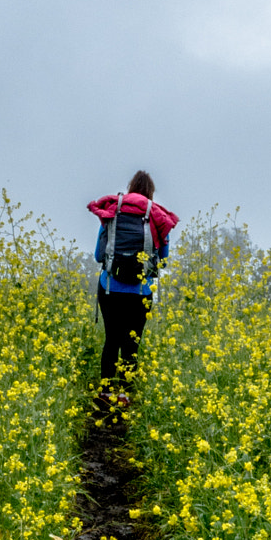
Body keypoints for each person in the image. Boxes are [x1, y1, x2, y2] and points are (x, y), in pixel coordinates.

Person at [88, 169, 179, 398]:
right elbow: (164, 261)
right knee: (131, 343)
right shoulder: (156, 218)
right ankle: (126, 395)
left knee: (112, 340)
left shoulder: (113, 212)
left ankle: (106, 393)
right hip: (141, 291)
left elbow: (100, 255)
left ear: (129, 188)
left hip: (110, 287)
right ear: (151, 192)